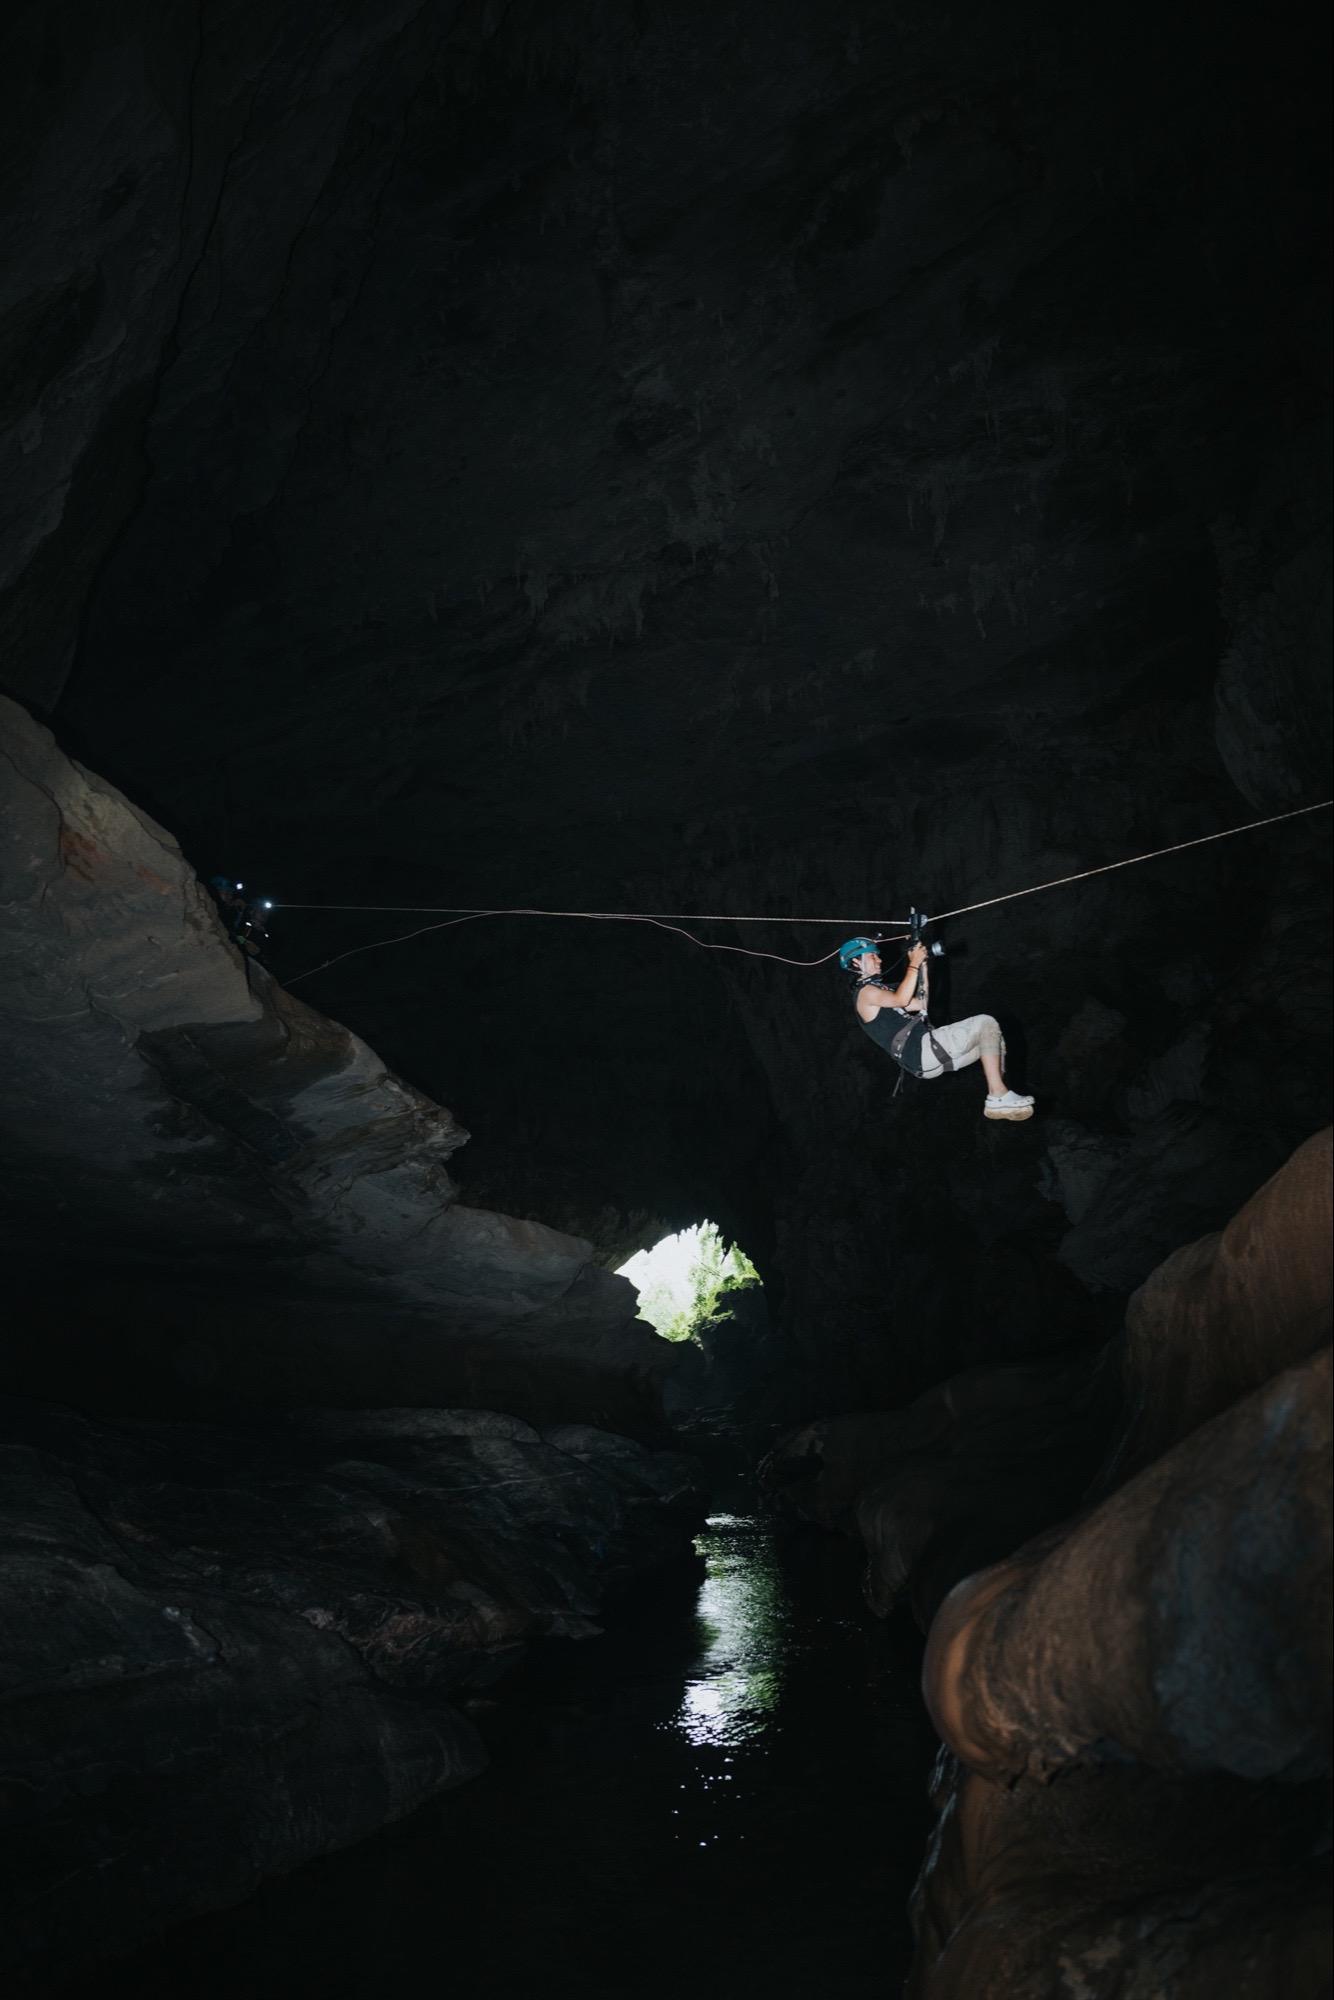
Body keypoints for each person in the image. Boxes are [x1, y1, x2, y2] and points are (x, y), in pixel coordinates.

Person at [839, 936, 1035, 1121]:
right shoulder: (864, 993)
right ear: (856, 963)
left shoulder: (882, 991)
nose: (879, 959)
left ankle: (1001, 1095)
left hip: (926, 1063)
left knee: (994, 1041)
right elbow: (902, 999)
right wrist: (914, 963)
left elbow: (921, 1003)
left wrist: (922, 965)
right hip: (923, 1050)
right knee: (986, 1023)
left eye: (877, 955)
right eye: (872, 956)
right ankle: (997, 1095)